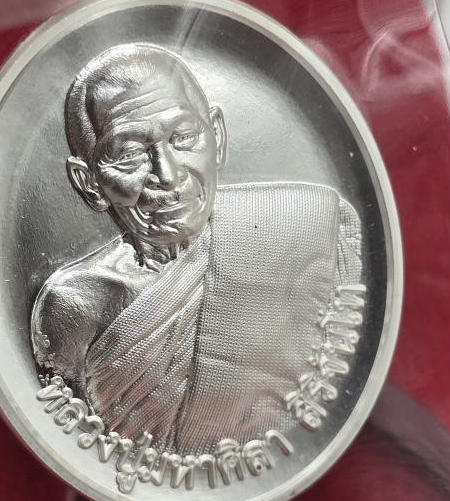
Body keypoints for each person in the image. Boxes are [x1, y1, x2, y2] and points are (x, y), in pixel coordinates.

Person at [31, 43, 362, 456]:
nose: (168, 176)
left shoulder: (308, 229)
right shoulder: (76, 305)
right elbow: (81, 448)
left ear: (216, 138)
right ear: (89, 183)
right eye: (129, 154)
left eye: (184, 138)